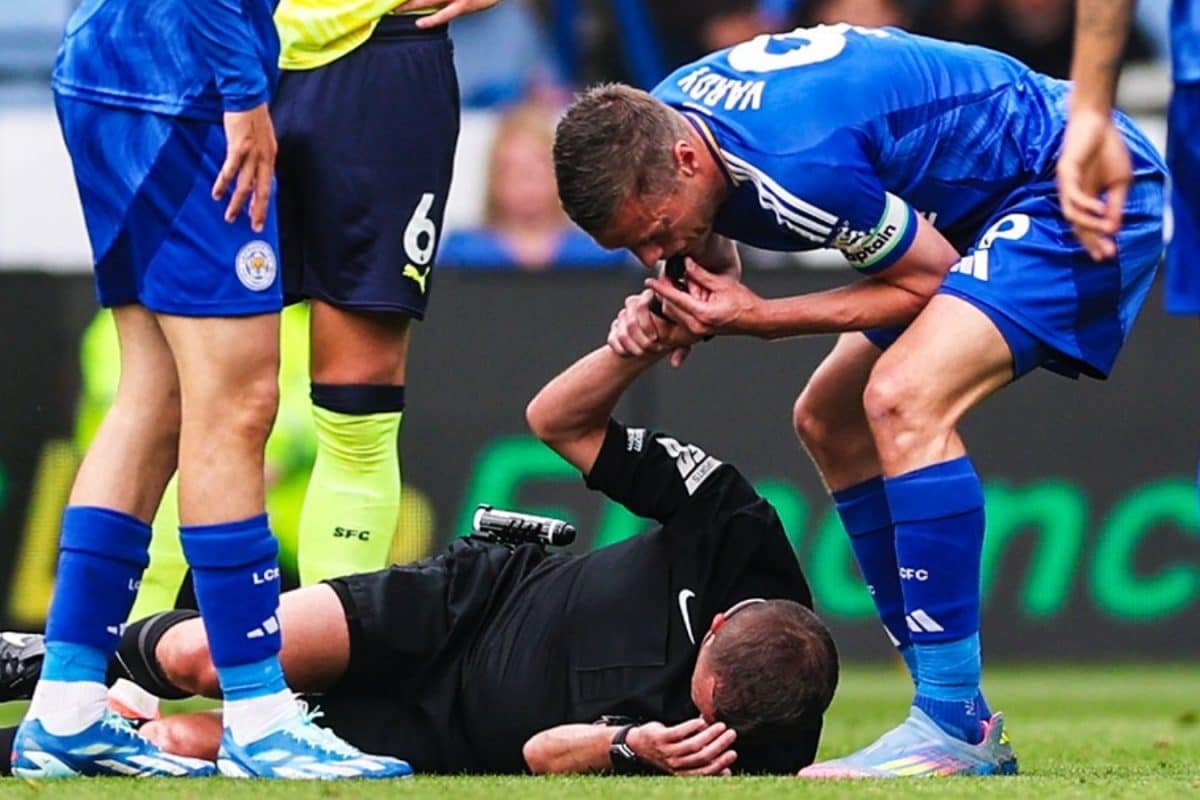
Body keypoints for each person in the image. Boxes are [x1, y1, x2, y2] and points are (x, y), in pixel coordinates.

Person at [552, 23, 1166, 778]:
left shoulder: (796, 161)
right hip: (984, 210)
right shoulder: (677, 125)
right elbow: (716, 238)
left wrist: (759, 318)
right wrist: (680, 291)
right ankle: (952, 710)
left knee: (903, 400)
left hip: (1077, 181)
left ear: (683, 159)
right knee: (828, 419)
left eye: (653, 234)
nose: (654, 256)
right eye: (635, 251)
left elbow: (924, 279)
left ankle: (949, 723)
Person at [0, 297, 838, 776]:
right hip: (463, 607)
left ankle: (26, 747)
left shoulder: (763, 740)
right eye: (693, 685)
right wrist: (633, 351)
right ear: (721, 624)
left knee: (176, 744)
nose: (687, 709)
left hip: (443, 739)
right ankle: (52, 662)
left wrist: (630, 746)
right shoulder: (735, 527)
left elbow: (544, 757)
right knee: (205, 662)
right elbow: (555, 421)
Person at [26, 0, 408, 780]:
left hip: (109, 64)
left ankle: (65, 708)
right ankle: (261, 716)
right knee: (236, 403)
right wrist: (242, 94)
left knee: (154, 394)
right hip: (186, 85)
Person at [270, 0, 496, 587]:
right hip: (224, 44)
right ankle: (131, 662)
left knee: (358, 405)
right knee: (203, 398)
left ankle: (334, 662)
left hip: (385, 53)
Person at [439, 103, 631, 271]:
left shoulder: (600, 255)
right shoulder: (462, 255)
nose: (526, 183)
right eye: (514, 171)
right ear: (494, 178)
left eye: (536, 169)